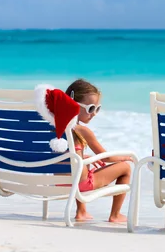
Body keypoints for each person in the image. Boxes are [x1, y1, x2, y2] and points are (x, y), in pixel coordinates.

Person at [35, 79, 133, 223]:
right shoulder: (82, 131)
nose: (94, 114)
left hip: (58, 180)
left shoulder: (51, 127)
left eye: (97, 109)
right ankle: (115, 215)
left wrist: (82, 156)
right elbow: (106, 158)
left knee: (81, 164)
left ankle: (81, 212)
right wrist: (124, 157)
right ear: (73, 105)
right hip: (79, 184)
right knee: (125, 168)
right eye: (90, 109)